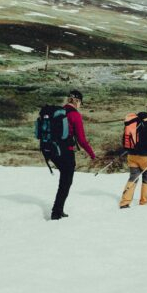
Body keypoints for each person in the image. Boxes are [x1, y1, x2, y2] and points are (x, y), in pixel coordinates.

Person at [49, 89, 96, 220]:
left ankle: (58, 210)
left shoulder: (59, 111)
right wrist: (92, 154)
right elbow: (81, 139)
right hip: (66, 152)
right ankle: (56, 213)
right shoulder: (75, 115)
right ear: (78, 101)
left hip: (53, 151)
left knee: (63, 181)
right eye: (81, 102)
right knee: (66, 182)